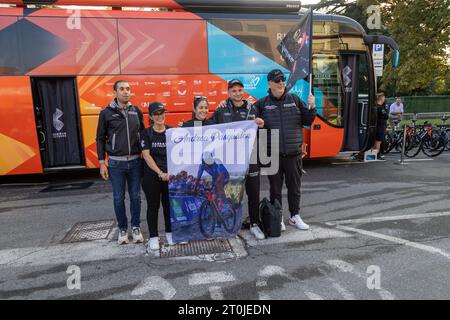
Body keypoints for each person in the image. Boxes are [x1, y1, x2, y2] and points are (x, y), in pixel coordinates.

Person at [254, 69, 316, 231]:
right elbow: (249, 124)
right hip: (271, 154)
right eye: (277, 80)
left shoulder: (295, 99)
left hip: (293, 154)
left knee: (294, 188)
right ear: (270, 84)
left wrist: (312, 106)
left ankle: (295, 216)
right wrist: (256, 122)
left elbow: (308, 120)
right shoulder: (261, 104)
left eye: (282, 80)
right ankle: (278, 216)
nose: (281, 83)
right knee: (275, 189)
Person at [212, 79, 266, 240]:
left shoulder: (253, 108)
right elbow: (209, 130)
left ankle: (254, 224)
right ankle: (232, 225)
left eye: (240, 90)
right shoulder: (221, 110)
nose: (237, 93)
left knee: (254, 192)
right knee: (231, 194)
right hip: (230, 161)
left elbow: (263, 127)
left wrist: (262, 123)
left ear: (243, 91)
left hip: (251, 158)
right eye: (233, 91)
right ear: (229, 93)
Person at [96, 80, 145, 245]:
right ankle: (123, 229)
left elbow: (143, 134)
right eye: (122, 89)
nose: (126, 92)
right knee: (118, 197)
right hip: (116, 164)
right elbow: (100, 138)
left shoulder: (136, 111)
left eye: (128, 89)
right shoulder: (106, 113)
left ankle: (136, 227)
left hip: (135, 162)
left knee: (136, 197)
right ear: (115, 93)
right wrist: (102, 162)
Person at [141, 102, 173, 251]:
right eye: (156, 114)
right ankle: (153, 237)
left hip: (169, 176)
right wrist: (160, 173)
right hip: (152, 176)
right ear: (151, 117)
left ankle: (170, 233)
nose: (160, 116)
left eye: (162, 113)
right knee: (153, 206)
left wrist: (170, 172)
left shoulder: (172, 131)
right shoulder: (146, 133)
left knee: (169, 206)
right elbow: (146, 156)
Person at [375, 93, 389, 160]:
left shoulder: (375, 106)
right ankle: (377, 154)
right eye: (383, 98)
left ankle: (375, 153)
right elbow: (386, 116)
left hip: (376, 125)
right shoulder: (380, 108)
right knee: (379, 141)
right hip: (380, 126)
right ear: (381, 98)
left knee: (377, 140)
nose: (384, 99)